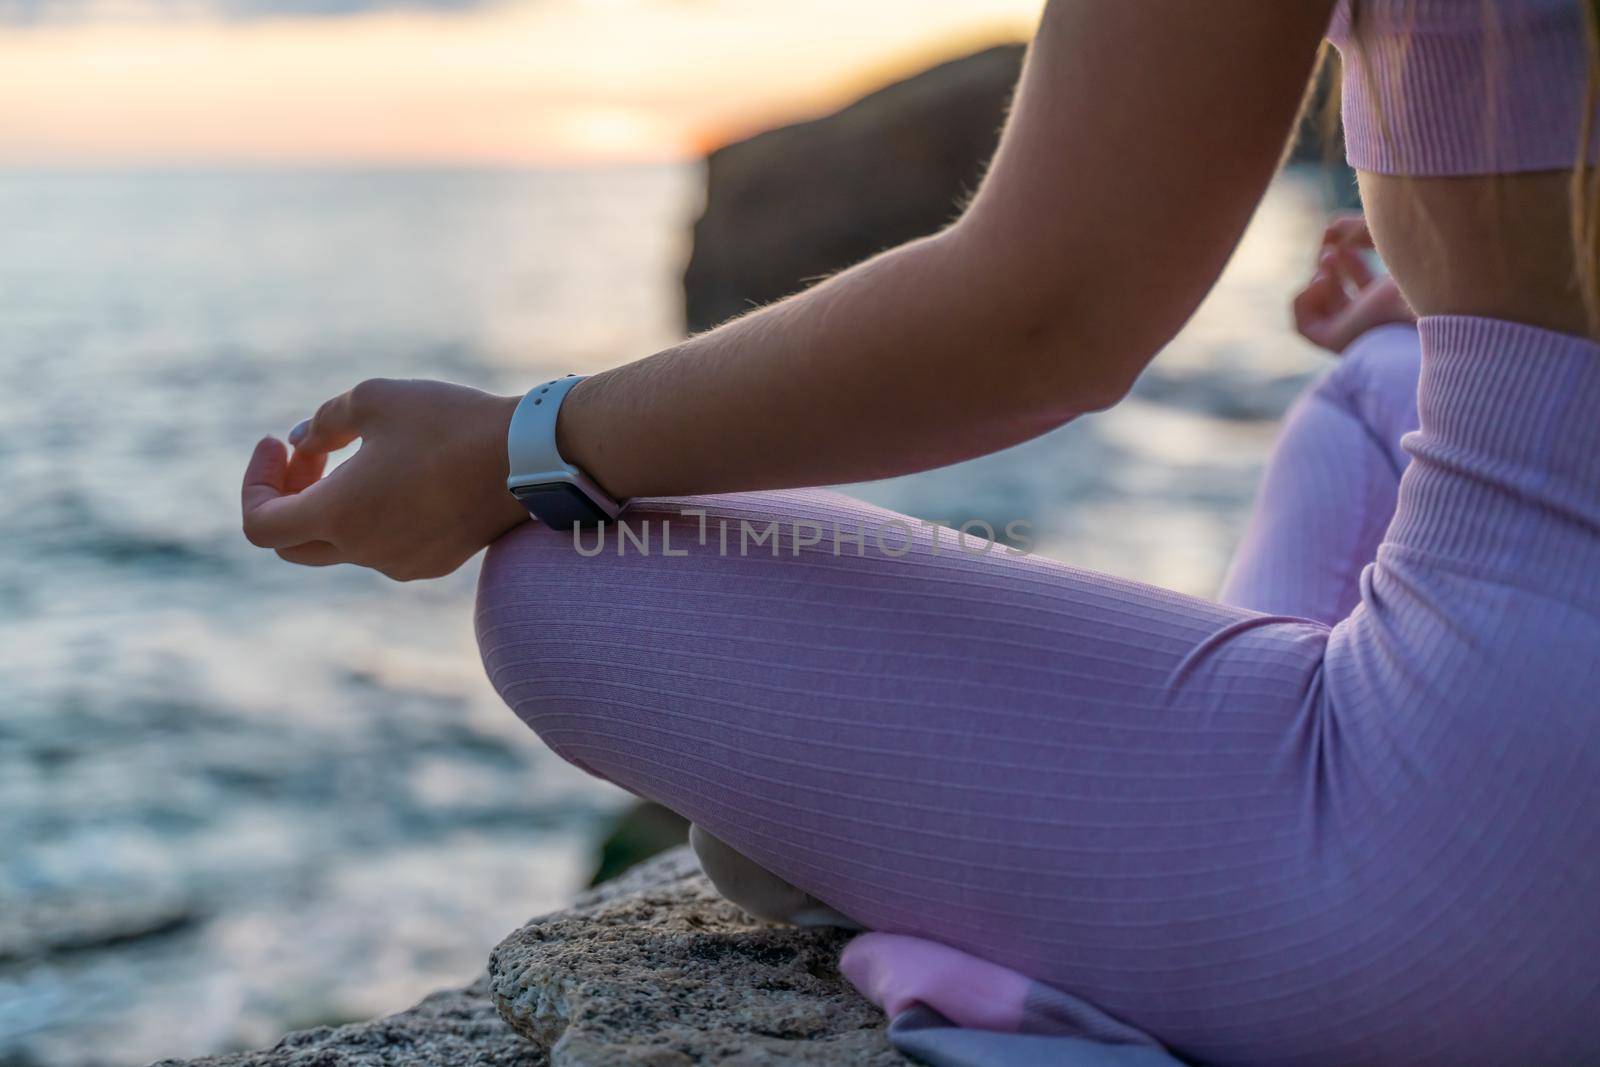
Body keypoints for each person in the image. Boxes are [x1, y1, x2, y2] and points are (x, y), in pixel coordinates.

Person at [242, 3, 1600, 1064]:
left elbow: (1044, 321)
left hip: (1503, 885)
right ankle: (1161, 831)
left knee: (562, 576)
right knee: (1368, 387)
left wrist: (512, 452)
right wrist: (1451, 315)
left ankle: (1147, 889)